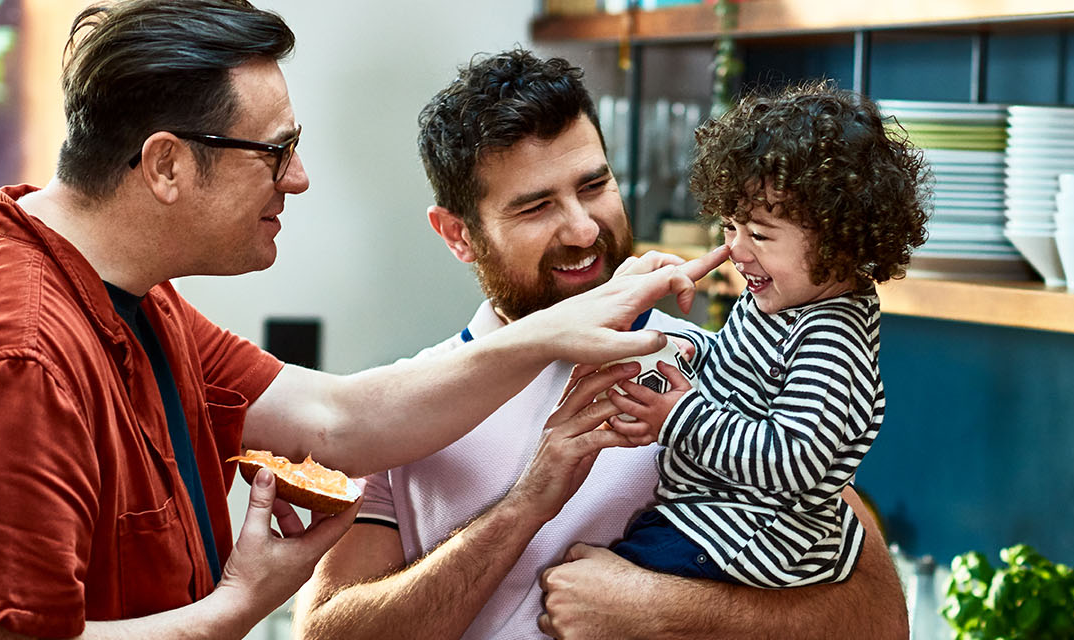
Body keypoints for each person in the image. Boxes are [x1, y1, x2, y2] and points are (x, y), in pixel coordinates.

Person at [0, 3, 707, 638]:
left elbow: (340, 419)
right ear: (165, 165)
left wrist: (568, 326)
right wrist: (239, 604)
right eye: (275, 151)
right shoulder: (16, 354)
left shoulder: (135, 296)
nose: (297, 179)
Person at [293, 49, 909, 639]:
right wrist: (527, 504)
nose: (584, 228)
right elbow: (326, 635)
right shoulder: (396, 409)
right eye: (536, 206)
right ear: (458, 233)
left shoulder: (714, 365)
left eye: (594, 186)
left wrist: (660, 610)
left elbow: (880, 616)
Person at [602, 82, 930, 589]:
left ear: (837, 237)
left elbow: (792, 455)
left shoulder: (832, 340)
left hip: (749, 538)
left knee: (597, 589)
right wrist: (698, 353)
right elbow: (748, 374)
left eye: (758, 233)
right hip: (714, 523)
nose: (736, 249)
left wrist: (680, 418)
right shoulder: (781, 304)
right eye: (730, 227)